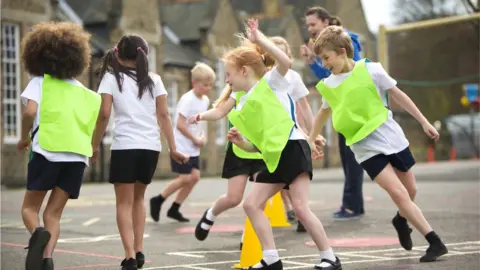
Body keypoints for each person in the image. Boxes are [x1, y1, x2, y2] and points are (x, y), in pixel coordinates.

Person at [308, 25, 448, 263]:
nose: (324, 64)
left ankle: (401, 220)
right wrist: (311, 138)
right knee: (398, 192)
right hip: (364, 146)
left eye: (326, 58)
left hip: (389, 134)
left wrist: (424, 122)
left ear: (342, 51)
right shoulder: (329, 85)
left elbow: (398, 95)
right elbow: (322, 113)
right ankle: (434, 241)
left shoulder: (371, 70)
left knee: (410, 191)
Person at [225, 18, 342, 270]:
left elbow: (286, 62)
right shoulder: (243, 105)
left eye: (229, 74)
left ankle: (330, 257)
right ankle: (271, 258)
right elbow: (257, 146)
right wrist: (241, 142)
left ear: (244, 71)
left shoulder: (269, 83)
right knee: (251, 204)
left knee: (300, 208)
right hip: (276, 155)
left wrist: (259, 39)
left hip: (292, 148)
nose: (226, 80)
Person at [92, 34, 188, 270]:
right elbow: (164, 115)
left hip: (125, 146)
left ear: (119, 54)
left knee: (123, 203)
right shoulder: (154, 79)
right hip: (150, 147)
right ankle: (139, 249)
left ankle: (129, 257)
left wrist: (93, 145)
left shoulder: (110, 78)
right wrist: (173, 148)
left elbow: (104, 114)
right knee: (138, 199)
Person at [18, 21, 100, 270]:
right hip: (76, 158)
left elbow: (30, 112)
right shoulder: (86, 92)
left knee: (30, 209)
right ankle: (47, 259)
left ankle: (37, 233)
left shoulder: (40, 82)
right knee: (54, 213)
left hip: (47, 151)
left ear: (38, 56)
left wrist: (24, 138)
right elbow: (90, 126)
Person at [301, 6, 365, 220]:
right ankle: (353, 204)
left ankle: (352, 205)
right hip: (340, 105)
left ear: (325, 22)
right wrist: (312, 60)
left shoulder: (346, 39)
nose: (310, 29)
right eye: (307, 25)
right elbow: (327, 76)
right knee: (348, 158)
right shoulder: (321, 48)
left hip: (354, 106)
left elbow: (348, 70)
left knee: (354, 157)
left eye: (313, 24)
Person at [149, 62, 214, 223]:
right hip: (182, 146)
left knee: (195, 177)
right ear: (194, 83)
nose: (208, 88)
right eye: (205, 85)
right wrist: (194, 139)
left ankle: (174, 208)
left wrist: (203, 137)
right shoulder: (187, 99)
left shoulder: (204, 100)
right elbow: (179, 124)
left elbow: (201, 122)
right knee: (185, 178)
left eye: (210, 85)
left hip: (194, 147)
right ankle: (158, 199)